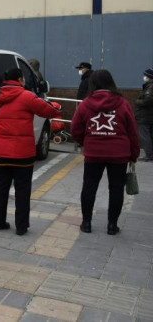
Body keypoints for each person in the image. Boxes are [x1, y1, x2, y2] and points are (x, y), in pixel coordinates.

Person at [0, 68, 60, 236]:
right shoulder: (27, 97)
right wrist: (56, 106)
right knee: (22, 190)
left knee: (0, 188)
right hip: (23, 154)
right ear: (20, 79)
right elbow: (49, 111)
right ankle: (21, 227)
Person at [72, 70, 140, 235]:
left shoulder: (86, 103)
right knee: (116, 189)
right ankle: (112, 226)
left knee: (89, 187)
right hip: (119, 154)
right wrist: (134, 154)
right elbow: (132, 131)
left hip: (93, 153)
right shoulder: (123, 103)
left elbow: (75, 129)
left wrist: (85, 142)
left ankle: (86, 223)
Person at [134, 68, 153, 161]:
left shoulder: (150, 87)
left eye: (146, 75)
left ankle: (149, 155)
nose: (144, 77)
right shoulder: (149, 86)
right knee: (149, 135)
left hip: (145, 116)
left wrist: (137, 101)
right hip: (148, 115)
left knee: (145, 136)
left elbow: (148, 100)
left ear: (149, 77)